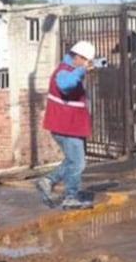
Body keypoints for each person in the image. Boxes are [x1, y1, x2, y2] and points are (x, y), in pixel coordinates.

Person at [36, 40, 96, 210]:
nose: (87, 64)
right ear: (78, 57)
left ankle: (47, 181)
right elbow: (65, 85)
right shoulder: (64, 71)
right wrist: (82, 70)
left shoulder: (69, 69)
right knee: (77, 163)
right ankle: (71, 197)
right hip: (66, 126)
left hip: (68, 125)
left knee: (72, 160)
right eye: (86, 60)